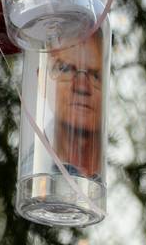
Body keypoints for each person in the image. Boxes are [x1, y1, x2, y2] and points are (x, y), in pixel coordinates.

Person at [47, 29, 106, 179]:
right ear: (42, 81)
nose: (81, 87)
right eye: (66, 69)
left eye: (95, 75)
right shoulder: (34, 171)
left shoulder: (118, 170)